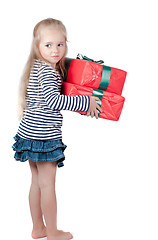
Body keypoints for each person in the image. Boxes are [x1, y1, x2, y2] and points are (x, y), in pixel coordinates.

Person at [12, 18, 103, 240]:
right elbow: (54, 101)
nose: (55, 50)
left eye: (60, 44)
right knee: (47, 186)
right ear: (37, 46)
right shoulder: (48, 73)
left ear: (66, 44)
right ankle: (52, 233)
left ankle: (38, 228)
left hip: (28, 134)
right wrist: (85, 103)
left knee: (36, 183)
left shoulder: (36, 67)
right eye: (48, 45)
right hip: (43, 137)